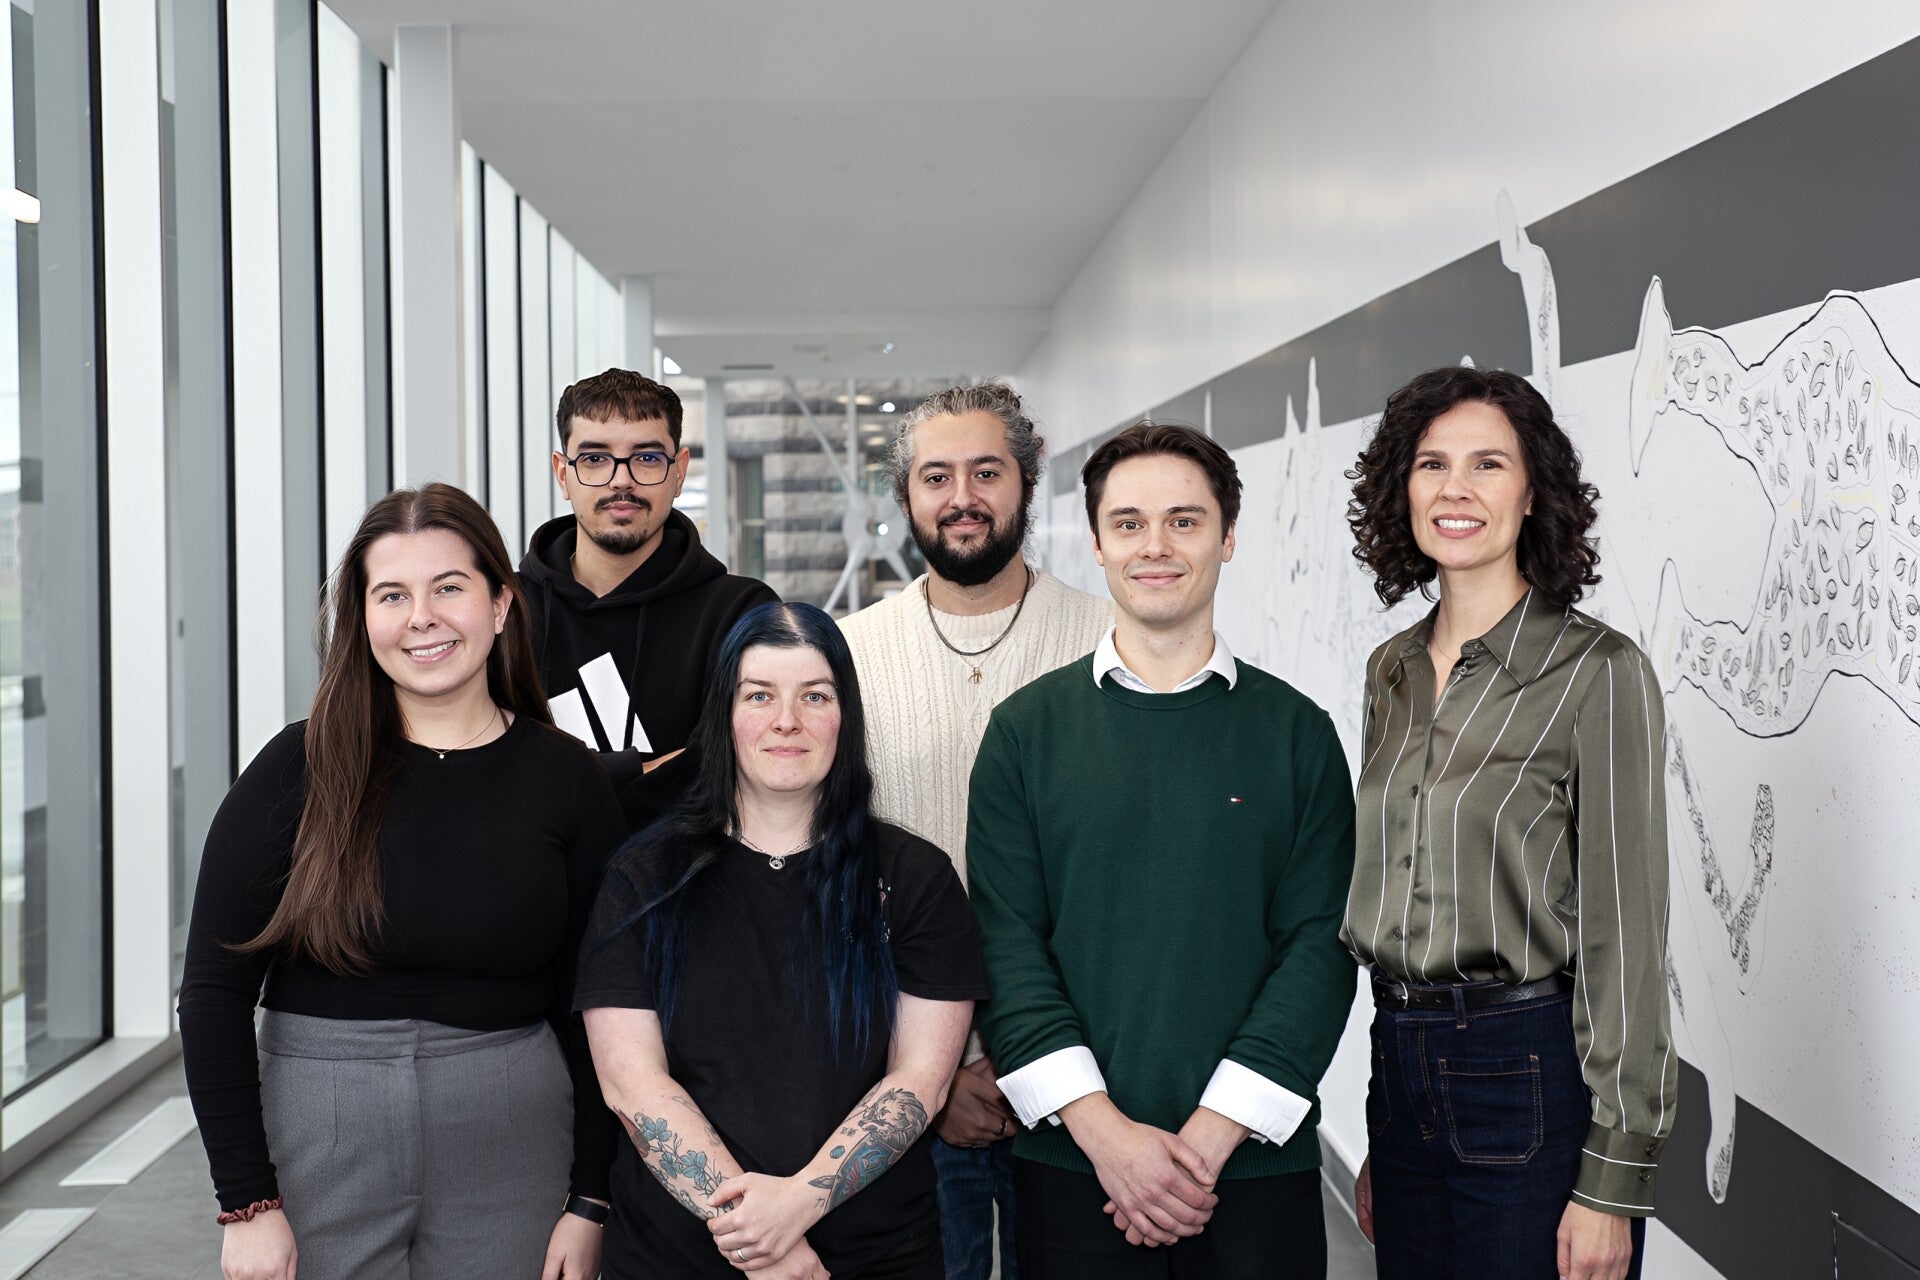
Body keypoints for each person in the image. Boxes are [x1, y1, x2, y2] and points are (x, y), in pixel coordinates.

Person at [178, 484, 626, 1280]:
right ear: (363, 618)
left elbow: (598, 1004)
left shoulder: (569, 779)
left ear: (500, 605)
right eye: (392, 595)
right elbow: (213, 991)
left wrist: (591, 1197)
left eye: (448, 587)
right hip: (319, 1131)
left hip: (514, 1140)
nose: (422, 617)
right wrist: (247, 1202)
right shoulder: (297, 769)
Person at [968, 423, 1357, 1279]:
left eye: (1184, 521)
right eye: (1129, 523)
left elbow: (1320, 949)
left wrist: (1208, 1140)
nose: (1156, 546)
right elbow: (1005, 946)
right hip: (1075, 1166)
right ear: (1097, 543)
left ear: (1227, 537)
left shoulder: (1297, 734)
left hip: (1254, 1170)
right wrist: (1106, 1136)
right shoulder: (1025, 734)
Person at [1342, 365, 1674, 1280]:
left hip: (1525, 1072)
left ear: (1533, 493)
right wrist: (1391, 1124)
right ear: (1401, 489)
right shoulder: (1391, 671)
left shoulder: (1597, 671)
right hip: (1399, 1066)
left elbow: (1626, 936)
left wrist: (1612, 1182)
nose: (1455, 489)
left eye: (1487, 464)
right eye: (1431, 464)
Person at [576, 602, 989, 1279]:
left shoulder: (916, 877)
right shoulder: (642, 877)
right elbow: (632, 1084)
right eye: (759, 695)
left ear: (846, 717)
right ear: (723, 714)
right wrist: (759, 1240)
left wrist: (795, 1207)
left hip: (873, 1256)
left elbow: (922, 1079)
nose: (787, 720)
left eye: (815, 696)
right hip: (679, 1258)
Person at [840, 382, 1111, 1280]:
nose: (963, 497)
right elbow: (836, 879)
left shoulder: (1109, 639)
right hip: (907, 1079)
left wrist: (1037, 1066)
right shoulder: (848, 655)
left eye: (987, 472)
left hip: (1086, 1077)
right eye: (937, 476)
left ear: (1028, 481)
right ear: (906, 496)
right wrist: (931, 1073)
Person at [521, 367, 777, 830]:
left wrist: (557, 780)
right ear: (563, 473)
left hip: (692, 872)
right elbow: (484, 765)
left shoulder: (741, 611)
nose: (622, 481)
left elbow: (744, 764)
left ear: (678, 472)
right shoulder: (506, 610)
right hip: (534, 876)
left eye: (646, 458)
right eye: (595, 458)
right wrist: (646, 769)